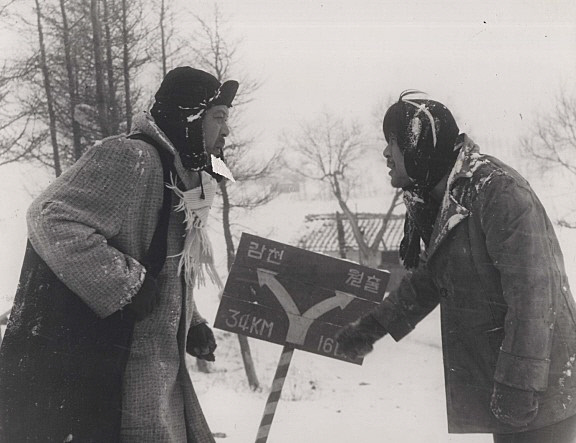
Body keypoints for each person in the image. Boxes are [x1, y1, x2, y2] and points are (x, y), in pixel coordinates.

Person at [0, 67, 238, 442]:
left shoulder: (180, 178)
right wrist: (125, 286)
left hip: (157, 370)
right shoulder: (132, 157)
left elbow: (170, 265)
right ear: (189, 118)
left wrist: (192, 322)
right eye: (218, 117)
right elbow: (50, 216)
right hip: (116, 374)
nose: (226, 131)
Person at [336, 91, 576, 442]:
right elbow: (431, 279)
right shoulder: (449, 197)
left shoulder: (498, 193)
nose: (386, 153)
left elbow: (535, 297)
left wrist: (519, 385)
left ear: (419, 147)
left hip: (543, 388)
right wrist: (372, 327)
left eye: (393, 142)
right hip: (515, 386)